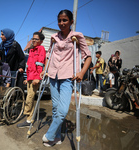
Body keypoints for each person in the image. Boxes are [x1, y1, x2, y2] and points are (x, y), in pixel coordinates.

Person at [40, 9, 92, 147]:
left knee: (62, 110)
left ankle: (49, 135)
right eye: (59, 20)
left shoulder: (77, 36)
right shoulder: (54, 37)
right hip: (53, 75)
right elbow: (48, 56)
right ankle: (56, 137)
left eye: (65, 20)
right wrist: (45, 70)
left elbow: (88, 56)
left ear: (71, 22)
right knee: (56, 108)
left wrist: (81, 73)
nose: (61, 23)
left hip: (68, 76)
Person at [17, 32, 46, 128]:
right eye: (33, 38)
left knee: (29, 97)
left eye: (36, 39)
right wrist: (27, 78)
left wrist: (38, 78)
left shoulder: (41, 49)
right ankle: (29, 119)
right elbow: (29, 66)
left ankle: (28, 117)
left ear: (41, 41)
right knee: (30, 98)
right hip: (30, 77)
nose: (33, 40)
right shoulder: (31, 50)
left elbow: (40, 64)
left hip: (35, 78)